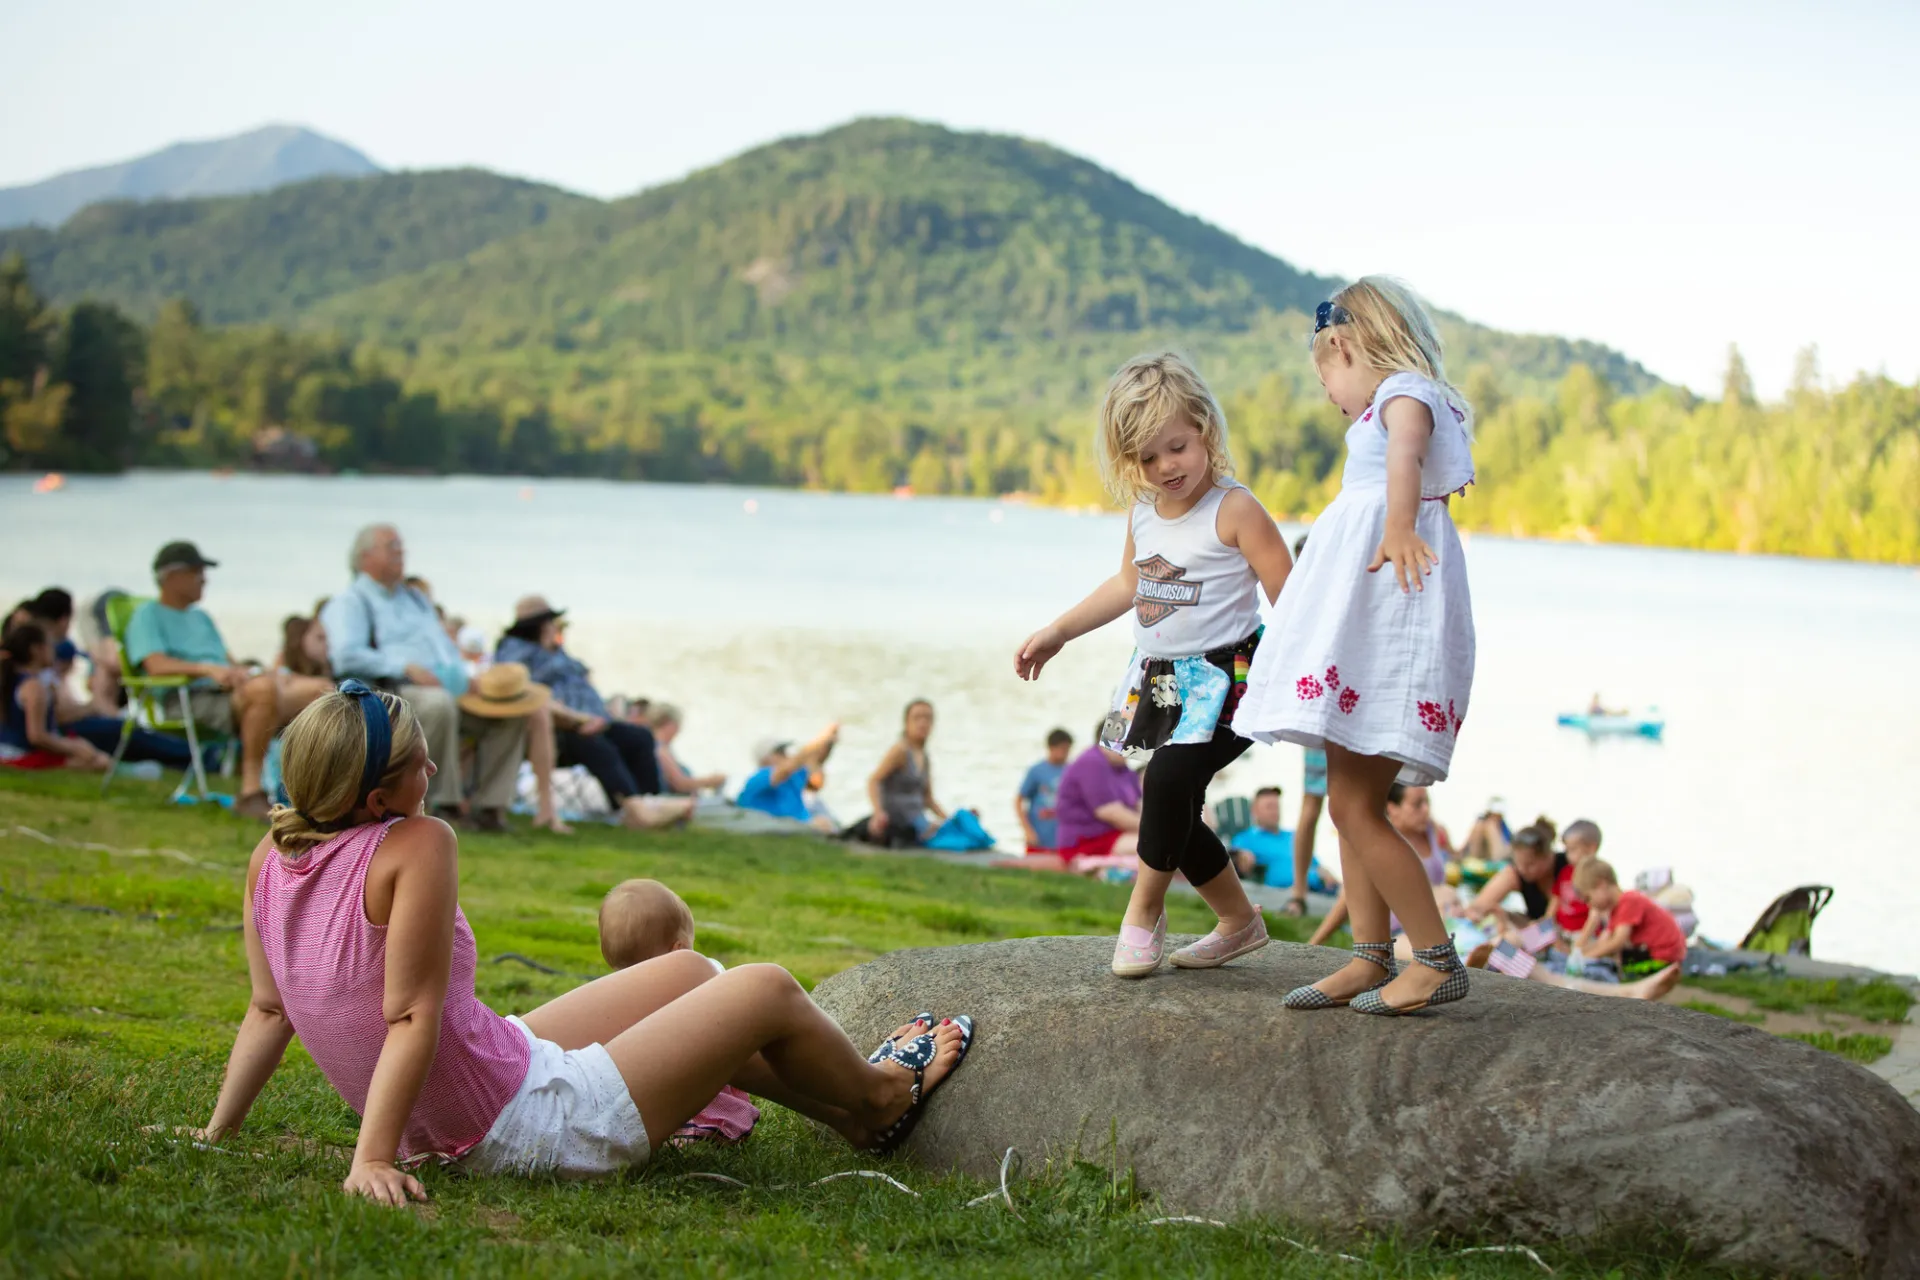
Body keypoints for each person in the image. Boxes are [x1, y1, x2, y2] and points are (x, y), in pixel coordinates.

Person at [185, 685, 973, 1201]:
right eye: (417, 761)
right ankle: (878, 1097)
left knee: (689, 973)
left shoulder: (271, 856)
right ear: (377, 795)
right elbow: (409, 1017)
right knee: (763, 987)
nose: (432, 764)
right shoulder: (417, 842)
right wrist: (373, 1160)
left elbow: (265, 1011)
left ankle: (846, 1120)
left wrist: (216, 1133)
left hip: (489, 1070)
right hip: (514, 1124)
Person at [1231, 279, 1478, 1016]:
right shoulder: (1390, 403)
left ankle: (1433, 957)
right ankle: (1369, 956)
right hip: (1362, 627)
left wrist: (1398, 526)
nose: (1332, 397)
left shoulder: (1407, 395)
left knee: (1359, 808)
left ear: (1345, 345)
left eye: (1327, 379)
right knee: (1346, 804)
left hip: (1387, 626)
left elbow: (1404, 455)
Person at [1018, 351, 1292, 978]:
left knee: (1165, 785)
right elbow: (1126, 587)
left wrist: (1312, 684)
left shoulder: (1236, 509)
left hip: (1230, 679)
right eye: (1147, 457)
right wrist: (1060, 630)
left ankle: (1143, 911)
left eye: (1177, 447)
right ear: (1129, 462)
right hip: (1163, 679)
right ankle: (1239, 921)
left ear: (1205, 432)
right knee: (1174, 801)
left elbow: (1292, 600)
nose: (1166, 467)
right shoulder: (1143, 513)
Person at [321, 525, 530, 832]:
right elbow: (346, 655)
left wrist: (464, 675)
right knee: (438, 704)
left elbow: (443, 646)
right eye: (391, 546)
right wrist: (405, 667)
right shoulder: (350, 602)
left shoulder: (415, 600)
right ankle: (443, 805)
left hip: (440, 688)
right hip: (386, 693)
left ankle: (490, 806)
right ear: (365, 556)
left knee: (511, 713)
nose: (400, 553)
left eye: (401, 547)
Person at [125, 541, 332, 818]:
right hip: (189, 696)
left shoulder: (201, 618)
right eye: (197, 572)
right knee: (262, 691)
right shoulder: (147, 615)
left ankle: (315, 790)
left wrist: (254, 672)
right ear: (172, 576)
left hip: (229, 690)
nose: (204, 579)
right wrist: (207, 670)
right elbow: (155, 665)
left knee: (321, 691)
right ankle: (250, 792)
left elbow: (227, 662)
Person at [493, 596, 693, 830]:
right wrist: (578, 721)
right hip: (556, 730)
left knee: (639, 737)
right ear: (538, 624)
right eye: (549, 622)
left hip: (593, 721)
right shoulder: (514, 651)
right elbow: (530, 695)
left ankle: (650, 802)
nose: (554, 626)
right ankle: (634, 809)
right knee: (595, 744)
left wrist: (603, 714)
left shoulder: (557, 650)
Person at [597, 879, 763, 1145]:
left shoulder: (607, 998)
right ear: (681, 950)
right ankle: (705, 1127)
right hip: (692, 1084)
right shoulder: (706, 974)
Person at [1305, 783, 1454, 946]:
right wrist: (1315, 942)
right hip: (1399, 930)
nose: (1425, 810)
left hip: (1439, 917)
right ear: (1392, 808)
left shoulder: (1431, 830)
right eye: (1417, 805)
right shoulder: (1382, 845)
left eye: (1427, 802)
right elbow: (1351, 896)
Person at [847, 700, 947, 849]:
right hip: (899, 821)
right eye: (917, 718)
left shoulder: (924, 757)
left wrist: (950, 820)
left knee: (957, 827)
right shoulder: (900, 751)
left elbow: (928, 799)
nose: (923, 723)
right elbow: (874, 781)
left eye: (928, 718)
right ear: (906, 723)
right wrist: (878, 812)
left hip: (918, 820)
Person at [1571, 858, 1687, 979]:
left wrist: (1587, 958)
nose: (1589, 905)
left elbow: (1617, 942)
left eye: (1588, 898)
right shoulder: (1616, 911)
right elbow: (1604, 941)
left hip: (1664, 958)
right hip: (1653, 954)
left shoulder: (1629, 901)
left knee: (1610, 970)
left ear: (1601, 885)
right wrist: (1580, 953)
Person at [1048, 731, 1143, 871]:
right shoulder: (1091, 762)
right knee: (1156, 847)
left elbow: (1139, 804)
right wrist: (1153, 831)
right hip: (1088, 840)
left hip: (1114, 835)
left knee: (1165, 845)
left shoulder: (1124, 770)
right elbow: (1109, 812)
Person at [736, 726, 840, 833]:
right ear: (765, 759)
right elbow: (792, 765)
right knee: (822, 821)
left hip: (803, 824)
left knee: (821, 814)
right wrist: (822, 739)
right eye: (780, 751)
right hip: (783, 828)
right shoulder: (759, 777)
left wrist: (829, 743)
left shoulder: (792, 776)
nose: (786, 754)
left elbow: (816, 761)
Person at [1230, 785, 1337, 889]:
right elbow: (1236, 862)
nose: (1274, 811)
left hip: (1320, 890)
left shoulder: (1294, 836)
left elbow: (1316, 865)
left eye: (1276, 807)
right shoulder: (1245, 839)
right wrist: (1243, 858)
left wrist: (1326, 873)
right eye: (1269, 807)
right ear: (1255, 811)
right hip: (1281, 894)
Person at [1014, 728, 1073, 853]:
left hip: (1063, 838)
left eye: (1068, 750)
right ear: (1051, 747)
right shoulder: (1037, 771)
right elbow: (1019, 801)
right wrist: (1027, 831)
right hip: (1039, 837)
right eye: (1062, 749)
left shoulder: (1072, 771)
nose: (1065, 753)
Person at [649, 703, 727, 796]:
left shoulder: (656, 746)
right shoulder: (660, 749)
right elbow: (679, 783)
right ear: (670, 724)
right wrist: (710, 781)